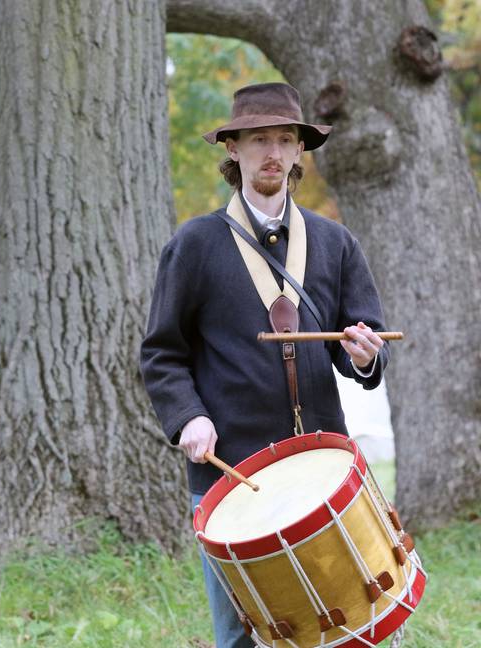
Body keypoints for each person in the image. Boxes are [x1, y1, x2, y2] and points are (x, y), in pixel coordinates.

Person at [140, 83, 390, 648]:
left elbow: (367, 341)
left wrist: (364, 355)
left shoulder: (335, 242)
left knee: (344, 626)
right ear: (233, 149)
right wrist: (187, 418)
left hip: (323, 469)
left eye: (284, 139)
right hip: (233, 475)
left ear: (300, 149)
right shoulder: (195, 244)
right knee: (242, 636)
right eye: (258, 140)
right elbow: (162, 352)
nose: (272, 152)